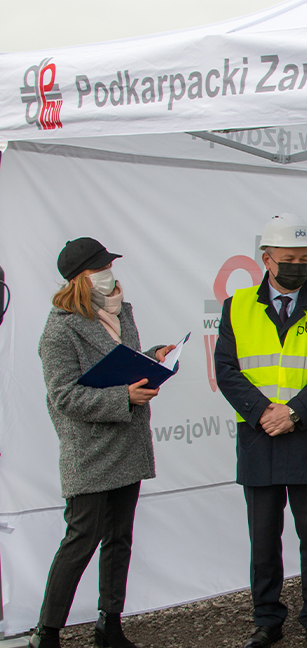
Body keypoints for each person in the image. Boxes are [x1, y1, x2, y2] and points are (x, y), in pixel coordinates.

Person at [30, 238, 174, 648]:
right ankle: (47, 632)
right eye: (101, 269)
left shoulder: (120, 311)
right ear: (81, 278)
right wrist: (122, 397)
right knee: (81, 540)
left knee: (119, 540)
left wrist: (152, 358)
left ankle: (109, 625)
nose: (110, 275)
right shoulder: (59, 330)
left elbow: (120, 363)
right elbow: (64, 396)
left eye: (110, 266)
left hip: (127, 444)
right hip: (90, 453)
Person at [214, 214, 307, 648]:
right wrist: (262, 413)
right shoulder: (236, 306)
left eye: (304, 258)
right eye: (289, 258)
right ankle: (267, 619)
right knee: (263, 539)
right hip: (259, 438)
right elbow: (226, 370)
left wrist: (294, 412)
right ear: (267, 259)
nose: (297, 266)